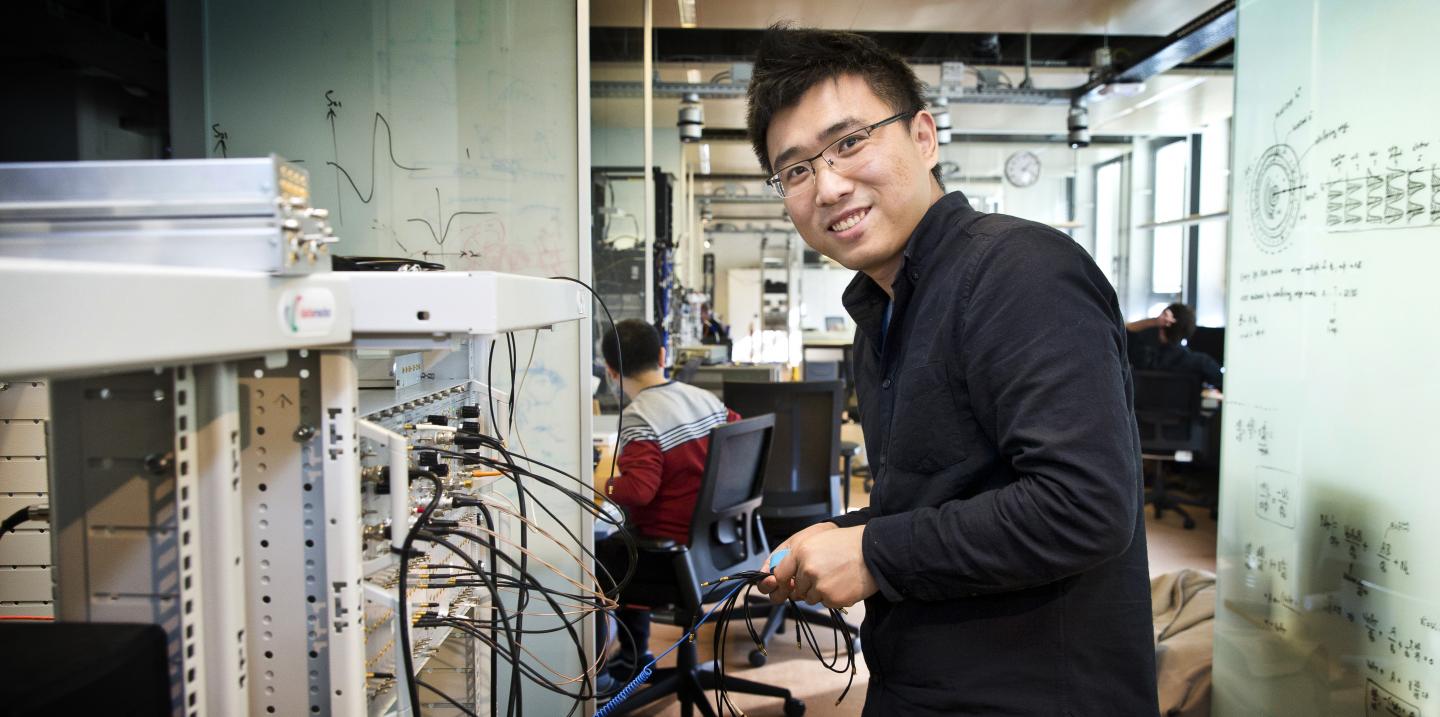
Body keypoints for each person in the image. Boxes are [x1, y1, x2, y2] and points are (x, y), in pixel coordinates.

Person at [745, 25, 1159, 715]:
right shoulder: (883, 315)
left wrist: (874, 552)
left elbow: (1084, 504)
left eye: (849, 142)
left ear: (924, 137)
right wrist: (845, 534)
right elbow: (946, 493)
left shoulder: (1019, 271)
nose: (829, 184)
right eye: (796, 170)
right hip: (923, 680)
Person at [592, 319, 740, 686]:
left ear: (610, 371)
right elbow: (738, 440)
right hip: (722, 543)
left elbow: (639, 491)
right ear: (662, 355)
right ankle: (633, 656)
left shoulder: (639, 415)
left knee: (593, 555)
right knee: (623, 538)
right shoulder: (704, 398)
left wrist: (599, 483)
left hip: (671, 555)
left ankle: (614, 670)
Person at [1127, 302, 1224, 388]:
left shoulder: (1142, 357)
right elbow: (1223, 385)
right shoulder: (1202, 363)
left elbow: (1125, 330)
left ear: (1161, 327)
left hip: (1142, 404)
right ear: (1188, 331)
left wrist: (1155, 321)